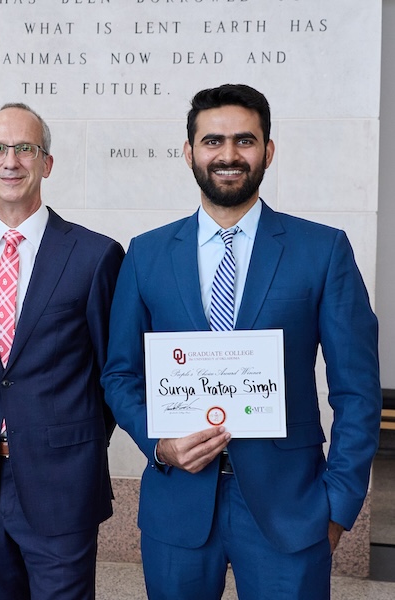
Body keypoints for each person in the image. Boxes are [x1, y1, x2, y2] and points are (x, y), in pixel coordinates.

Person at [101, 84, 382, 599]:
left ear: (267, 151)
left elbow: (357, 392)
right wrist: (158, 444)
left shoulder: (323, 251)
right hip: (178, 506)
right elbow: (120, 375)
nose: (228, 155)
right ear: (189, 153)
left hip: (292, 507)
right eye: (212, 141)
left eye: (244, 141)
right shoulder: (147, 255)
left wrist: (338, 505)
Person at [0, 103, 125, 600]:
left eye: (25, 148)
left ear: (47, 163)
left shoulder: (95, 255)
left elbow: (115, 372)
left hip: (62, 482)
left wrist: (72, 443)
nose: (11, 160)